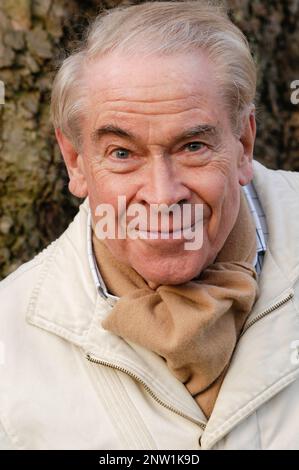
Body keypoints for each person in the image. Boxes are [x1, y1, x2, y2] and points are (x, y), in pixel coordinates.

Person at [0, 1, 299, 450]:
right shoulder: (9, 341)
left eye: (193, 146)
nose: (162, 196)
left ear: (243, 143)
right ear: (76, 162)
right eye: (122, 154)